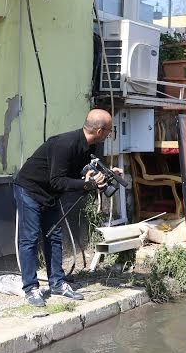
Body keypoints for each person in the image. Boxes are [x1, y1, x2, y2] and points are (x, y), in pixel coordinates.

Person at [12, 109, 120, 308]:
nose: (109, 135)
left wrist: (106, 173)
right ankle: (30, 288)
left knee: (53, 236)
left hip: (50, 195)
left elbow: (83, 173)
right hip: (30, 189)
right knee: (31, 237)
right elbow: (57, 180)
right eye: (110, 131)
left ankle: (58, 283)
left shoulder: (89, 148)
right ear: (100, 130)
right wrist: (86, 185)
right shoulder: (65, 144)